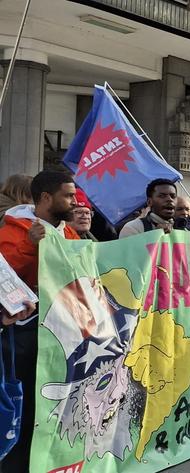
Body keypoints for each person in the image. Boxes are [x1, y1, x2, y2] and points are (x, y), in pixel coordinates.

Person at [0, 171, 81, 473]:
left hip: (63, 331)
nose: (75, 202)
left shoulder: (68, 232)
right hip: (27, 334)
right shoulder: (15, 230)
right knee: (30, 401)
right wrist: (31, 245)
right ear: (47, 198)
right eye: (68, 196)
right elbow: (5, 275)